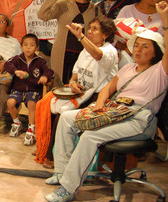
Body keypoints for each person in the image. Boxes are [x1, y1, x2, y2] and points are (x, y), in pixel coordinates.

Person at [45, 1, 168, 202]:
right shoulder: (128, 69)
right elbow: (108, 88)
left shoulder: (160, 71)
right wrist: (100, 103)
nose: (139, 50)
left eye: (145, 46)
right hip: (115, 110)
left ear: (156, 51)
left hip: (139, 119)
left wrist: (165, 18)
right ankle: (61, 172)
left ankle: (68, 188)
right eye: (137, 45)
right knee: (67, 118)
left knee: (90, 136)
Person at [35, 16, 119, 168]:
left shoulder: (110, 51)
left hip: (98, 97)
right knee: (47, 103)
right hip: (80, 92)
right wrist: (73, 83)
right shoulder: (84, 50)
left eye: (95, 29)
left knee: (63, 112)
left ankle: (54, 156)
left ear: (105, 34)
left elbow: (98, 55)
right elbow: (75, 73)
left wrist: (80, 36)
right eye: (90, 29)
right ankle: (45, 147)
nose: (91, 32)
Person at [38, 0, 102, 85]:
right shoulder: (63, 4)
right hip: (62, 53)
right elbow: (42, 15)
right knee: (58, 86)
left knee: (79, 87)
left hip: (84, 55)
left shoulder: (95, 10)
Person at [4, 34, 54, 145]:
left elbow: (49, 71)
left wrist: (45, 76)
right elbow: (7, 64)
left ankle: (31, 128)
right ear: (21, 47)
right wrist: (16, 71)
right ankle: (17, 123)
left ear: (36, 47)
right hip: (18, 89)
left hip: (33, 90)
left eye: (32, 45)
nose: (28, 48)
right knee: (10, 102)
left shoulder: (40, 61)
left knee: (32, 104)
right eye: (25, 45)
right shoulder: (17, 59)